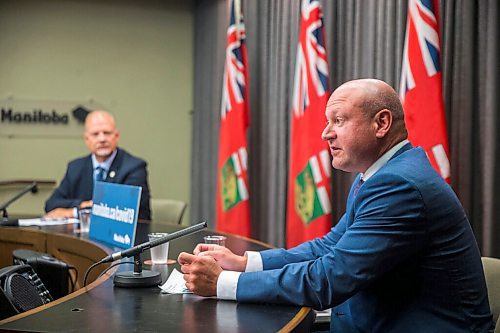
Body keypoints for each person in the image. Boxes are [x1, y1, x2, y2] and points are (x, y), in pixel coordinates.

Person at [178, 79, 494, 332]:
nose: (325, 133)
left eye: (338, 120)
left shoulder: (400, 186)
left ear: (381, 123)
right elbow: (329, 247)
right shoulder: (377, 175)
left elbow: (330, 278)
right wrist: (245, 262)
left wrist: (223, 283)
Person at [45, 110, 151, 220]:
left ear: (117, 136)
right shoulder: (75, 167)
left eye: (107, 133)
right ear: (87, 139)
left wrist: (74, 212)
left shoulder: (134, 167)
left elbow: (122, 210)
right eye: (95, 134)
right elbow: (51, 204)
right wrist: (82, 206)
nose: (102, 139)